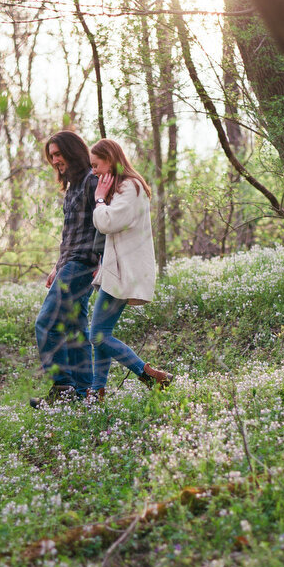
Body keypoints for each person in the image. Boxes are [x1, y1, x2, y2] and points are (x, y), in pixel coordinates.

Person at [88, 137, 173, 400]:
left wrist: (99, 200)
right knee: (101, 334)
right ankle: (97, 391)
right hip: (117, 272)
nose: (94, 172)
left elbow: (109, 223)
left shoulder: (130, 187)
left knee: (98, 335)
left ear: (110, 160)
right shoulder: (124, 188)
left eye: (96, 165)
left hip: (125, 273)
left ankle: (148, 374)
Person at [30, 130, 100, 407]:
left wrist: (103, 260)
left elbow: (104, 224)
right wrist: (57, 267)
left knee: (46, 324)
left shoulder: (91, 182)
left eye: (58, 154)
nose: (55, 160)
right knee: (75, 329)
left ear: (73, 151)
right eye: (51, 156)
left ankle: (63, 389)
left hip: (83, 264)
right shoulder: (73, 187)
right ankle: (85, 395)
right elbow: (69, 234)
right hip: (70, 264)